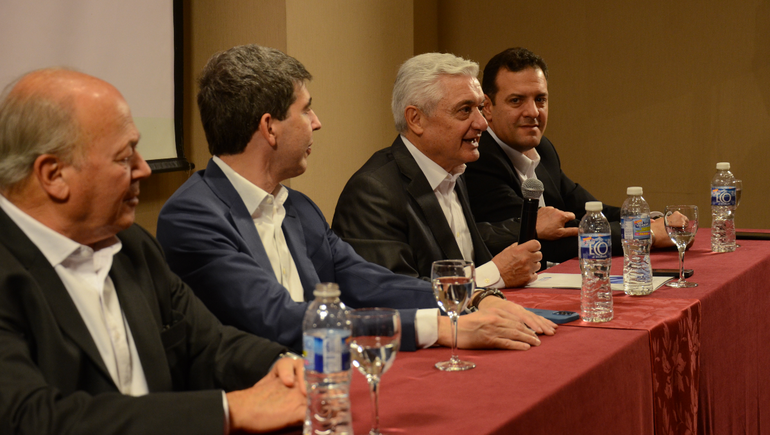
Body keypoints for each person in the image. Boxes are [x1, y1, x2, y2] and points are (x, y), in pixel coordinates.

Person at [157, 44, 546, 355]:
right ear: (269, 128)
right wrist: (441, 326)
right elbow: (277, 317)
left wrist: (474, 295)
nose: (317, 122)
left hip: (327, 376)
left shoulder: (298, 207)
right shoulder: (193, 216)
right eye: (305, 110)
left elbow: (369, 283)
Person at [0, 68, 307, 434]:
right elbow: (31, 419)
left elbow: (208, 344)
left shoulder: (132, 246)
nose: (144, 169)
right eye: (124, 157)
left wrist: (281, 364)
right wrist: (229, 410)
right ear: (53, 175)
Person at [331, 52, 555, 336]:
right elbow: (393, 296)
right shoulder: (373, 192)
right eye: (464, 110)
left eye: (479, 108)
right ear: (416, 119)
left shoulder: (453, 169)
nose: (482, 123)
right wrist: (493, 275)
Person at [464, 47, 671, 263]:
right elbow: (552, 243)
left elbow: (590, 211)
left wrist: (652, 220)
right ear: (487, 107)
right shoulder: (479, 159)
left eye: (540, 99)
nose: (533, 112)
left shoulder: (543, 148)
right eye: (516, 100)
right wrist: (645, 233)